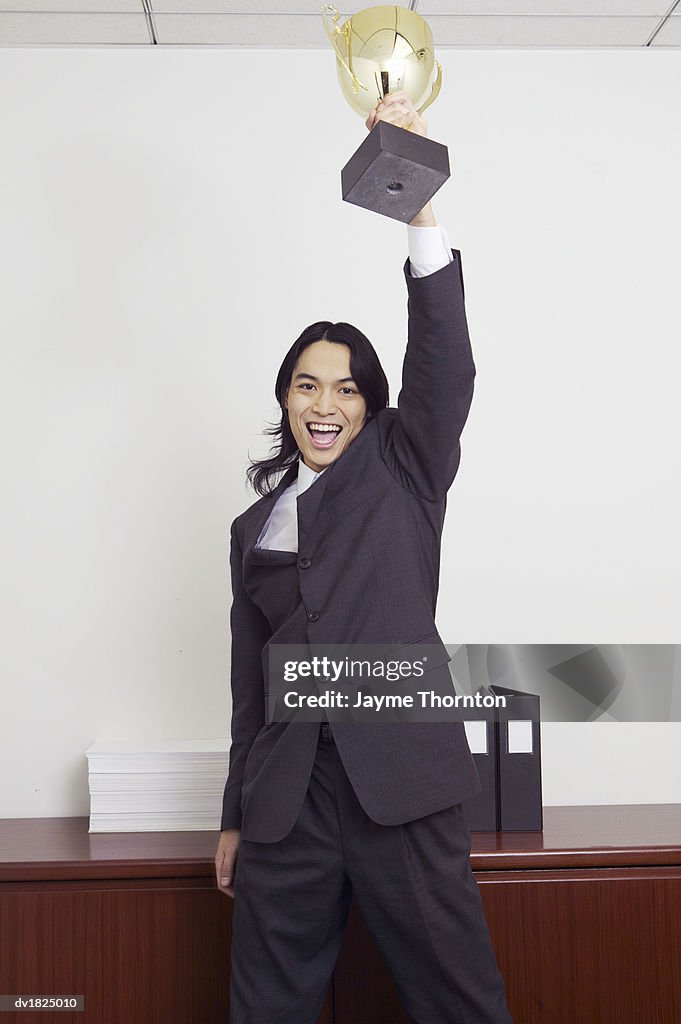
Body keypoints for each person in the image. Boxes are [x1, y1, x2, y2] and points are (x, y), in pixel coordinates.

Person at [215, 91, 513, 1024]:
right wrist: (234, 813)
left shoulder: (403, 462)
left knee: (457, 1003)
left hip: (401, 785)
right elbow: (247, 686)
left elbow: (444, 364)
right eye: (306, 384)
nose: (324, 403)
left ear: (370, 404)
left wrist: (417, 203)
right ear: (285, 398)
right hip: (285, 805)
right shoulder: (251, 528)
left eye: (345, 388)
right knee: (267, 1009)